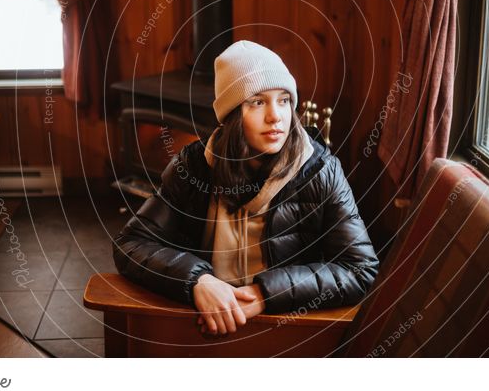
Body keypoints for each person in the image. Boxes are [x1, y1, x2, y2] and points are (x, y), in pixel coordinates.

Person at [112, 40, 379, 336]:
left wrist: (267, 294)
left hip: (287, 326)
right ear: (232, 115)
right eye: (257, 101)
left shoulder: (321, 171)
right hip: (203, 323)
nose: (276, 116)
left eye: (284, 100)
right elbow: (131, 244)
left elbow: (360, 270)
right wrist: (198, 281)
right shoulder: (193, 167)